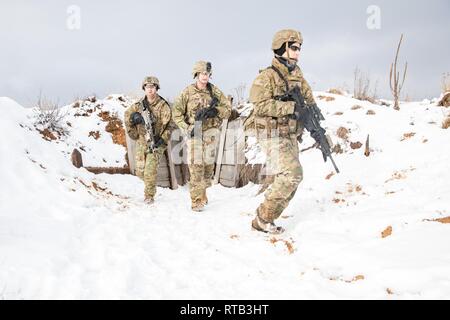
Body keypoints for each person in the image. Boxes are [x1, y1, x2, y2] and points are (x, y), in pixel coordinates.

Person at [246, 29, 317, 234]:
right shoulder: (266, 76)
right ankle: (263, 218)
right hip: (270, 133)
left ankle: (266, 218)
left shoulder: (298, 75)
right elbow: (260, 105)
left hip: (290, 132)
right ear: (282, 47)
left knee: (295, 176)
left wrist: (316, 128)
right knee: (291, 173)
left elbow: (309, 102)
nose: (298, 52)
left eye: (299, 48)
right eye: (294, 48)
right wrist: (290, 108)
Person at [172, 61, 231, 211]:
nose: (206, 76)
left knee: (207, 169)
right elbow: (176, 114)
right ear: (197, 74)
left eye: (208, 74)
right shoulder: (187, 92)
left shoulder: (214, 91)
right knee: (196, 166)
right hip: (195, 133)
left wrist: (215, 111)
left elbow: (228, 110)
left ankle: (203, 193)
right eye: (203, 73)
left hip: (211, 134)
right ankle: (196, 201)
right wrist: (187, 127)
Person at [124, 76, 172, 204]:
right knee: (140, 172)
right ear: (144, 88)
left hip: (157, 143)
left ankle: (149, 196)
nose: (150, 89)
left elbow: (170, 126)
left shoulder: (163, 106)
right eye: (147, 87)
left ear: (157, 88)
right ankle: (150, 185)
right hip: (142, 141)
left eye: (153, 87)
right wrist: (134, 120)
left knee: (150, 171)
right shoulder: (138, 106)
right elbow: (127, 117)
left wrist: (162, 139)